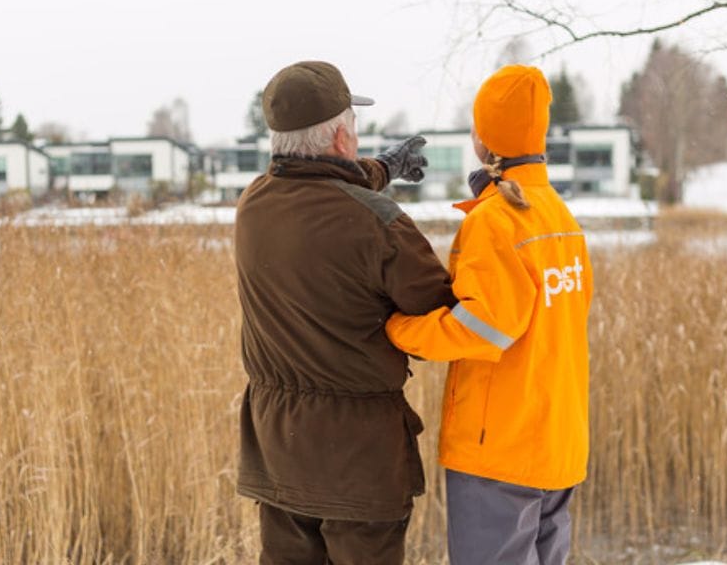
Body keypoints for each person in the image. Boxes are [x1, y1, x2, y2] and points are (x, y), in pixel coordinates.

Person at [235, 60, 456, 564]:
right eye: (352, 127)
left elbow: (318, 185)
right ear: (341, 138)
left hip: (279, 452)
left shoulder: (253, 204)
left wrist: (386, 167)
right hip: (360, 461)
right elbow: (440, 314)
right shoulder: (381, 224)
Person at [384, 65, 595, 565]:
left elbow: (484, 329)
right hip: (557, 440)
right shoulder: (558, 214)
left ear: (483, 139)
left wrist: (397, 329)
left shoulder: (495, 220)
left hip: (501, 446)